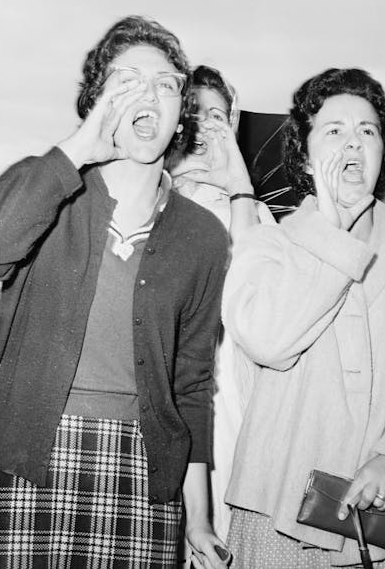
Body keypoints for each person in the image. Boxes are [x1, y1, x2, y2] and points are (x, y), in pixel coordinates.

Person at [0, 16, 231, 569]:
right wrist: (76, 149)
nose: (149, 94)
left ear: (180, 116)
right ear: (98, 99)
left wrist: (199, 517)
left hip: (142, 475)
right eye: (128, 81)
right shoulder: (48, 186)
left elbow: (191, 385)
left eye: (166, 84)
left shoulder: (203, 236)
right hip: (21, 454)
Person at [221, 67, 385, 567]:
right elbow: (268, 341)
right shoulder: (266, 246)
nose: (352, 145)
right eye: (334, 131)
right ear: (304, 151)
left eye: (367, 132)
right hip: (280, 525)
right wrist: (331, 232)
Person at [168, 65, 274, 543]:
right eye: (195, 113)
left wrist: (237, 188)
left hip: (233, 384)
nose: (208, 125)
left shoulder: (254, 206)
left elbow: (265, 292)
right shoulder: (150, 191)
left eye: (219, 115)